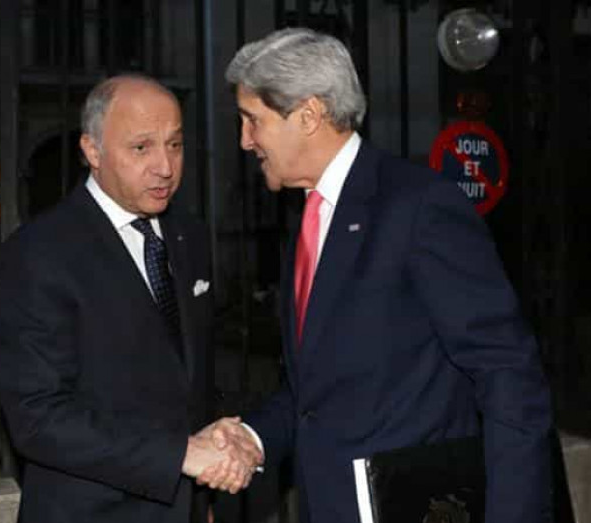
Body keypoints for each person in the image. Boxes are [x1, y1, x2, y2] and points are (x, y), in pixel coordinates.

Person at [208, 27, 554, 523]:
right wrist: (254, 437)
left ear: (308, 115)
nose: (245, 141)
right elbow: (317, 392)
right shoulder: (310, 220)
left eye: (253, 120)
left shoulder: (418, 206)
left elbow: (508, 374)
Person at [0, 74, 262, 523]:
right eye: (141, 148)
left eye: (175, 145)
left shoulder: (189, 236)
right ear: (92, 151)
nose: (165, 167)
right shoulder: (39, 253)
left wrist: (201, 498)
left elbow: (186, 379)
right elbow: (37, 419)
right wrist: (180, 456)